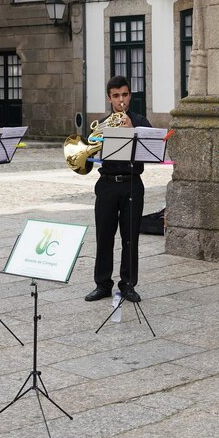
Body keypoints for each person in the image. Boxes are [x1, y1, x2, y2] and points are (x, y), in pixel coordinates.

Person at [84, 76, 151, 304]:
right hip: (107, 185)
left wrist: (132, 130)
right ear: (109, 98)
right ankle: (102, 284)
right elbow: (85, 161)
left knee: (130, 238)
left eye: (124, 94)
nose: (120, 100)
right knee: (104, 236)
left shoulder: (141, 122)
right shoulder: (102, 125)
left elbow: (151, 151)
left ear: (130, 95)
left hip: (132, 183)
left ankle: (128, 285)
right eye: (115, 96)